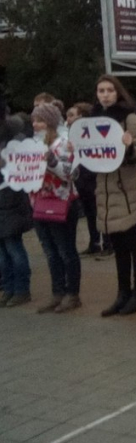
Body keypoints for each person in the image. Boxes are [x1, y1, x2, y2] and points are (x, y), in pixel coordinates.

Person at [93, 75, 136, 317]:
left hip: (127, 191)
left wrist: (129, 147)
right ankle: (122, 294)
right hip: (106, 192)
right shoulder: (92, 121)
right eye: (101, 90)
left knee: (133, 243)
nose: (105, 94)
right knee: (118, 245)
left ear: (118, 93)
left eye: (109, 90)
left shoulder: (129, 118)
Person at [30, 102, 82, 313]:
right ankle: (57, 292)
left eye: (40, 120)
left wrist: (51, 161)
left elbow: (71, 173)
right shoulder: (32, 144)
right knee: (50, 252)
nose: (35, 124)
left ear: (50, 122)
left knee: (65, 251)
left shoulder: (63, 144)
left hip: (62, 203)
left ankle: (73, 294)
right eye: (34, 120)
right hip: (39, 204)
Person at [67, 102, 111, 258]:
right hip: (81, 178)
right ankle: (94, 242)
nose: (69, 119)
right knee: (89, 213)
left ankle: (107, 243)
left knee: (99, 211)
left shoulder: (92, 131)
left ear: (82, 116)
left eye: (72, 115)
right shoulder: (71, 133)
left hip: (93, 176)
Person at [0, 116, 33, 308]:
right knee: (2, 252)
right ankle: (8, 288)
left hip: (10, 199)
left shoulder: (15, 137)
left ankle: (21, 289)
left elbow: (22, 165)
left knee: (13, 247)